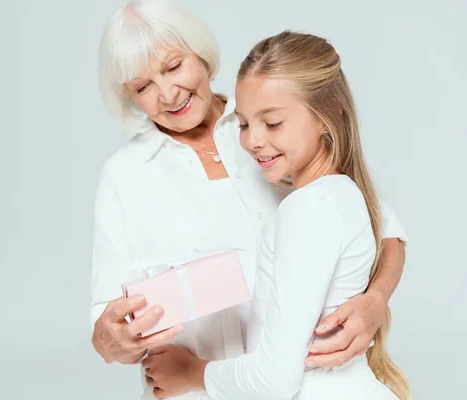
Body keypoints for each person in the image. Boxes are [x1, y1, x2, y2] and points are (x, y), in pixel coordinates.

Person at [90, 1, 407, 399]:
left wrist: (375, 301)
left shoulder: (274, 128)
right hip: (195, 390)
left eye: (173, 67)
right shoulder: (125, 176)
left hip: (296, 385)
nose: (168, 94)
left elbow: (384, 231)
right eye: (143, 86)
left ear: (201, 55)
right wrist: (113, 338)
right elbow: (105, 327)